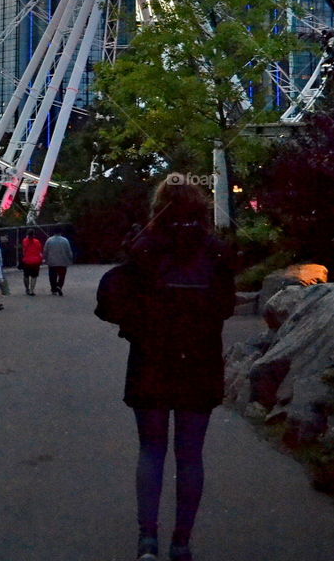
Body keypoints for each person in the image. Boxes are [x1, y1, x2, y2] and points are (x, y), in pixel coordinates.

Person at [95, 175, 235, 561]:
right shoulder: (217, 251)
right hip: (200, 361)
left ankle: (147, 541)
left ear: (158, 208)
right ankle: (182, 542)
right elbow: (225, 306)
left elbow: (121, 300)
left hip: (151, 359)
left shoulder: (143, 248)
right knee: (191, 455)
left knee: (151, 449)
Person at [43, 229, 74, 295]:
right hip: (63, 261)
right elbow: (68, 251)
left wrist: (45, 258)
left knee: (52, 276)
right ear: (61, 232)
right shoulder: (65, 240)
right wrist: (70, 259)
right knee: (62, 275)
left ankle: (53, 289)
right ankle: (59, 286)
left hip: (52, 261)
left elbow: (45, 251)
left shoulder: (49, 240)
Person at [21, 228, 43, 295]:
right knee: (34, 276)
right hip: (36, 261)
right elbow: (39, 251)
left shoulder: (25, 241)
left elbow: (23, 251)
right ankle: (31, 290)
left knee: (26, 276)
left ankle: (27, 289)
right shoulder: (37, 241)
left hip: (27, 260)